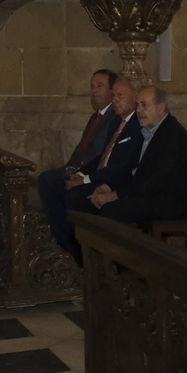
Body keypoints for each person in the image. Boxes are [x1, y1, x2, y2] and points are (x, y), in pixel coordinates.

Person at [72, 84, 187, 226]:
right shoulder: (148, 131)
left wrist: (114, 195)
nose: (138, 110)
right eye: (137, 105)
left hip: (169, 201)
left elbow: (154, 181)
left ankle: (114, 248)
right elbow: (130, 168)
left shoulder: (173, 136)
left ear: (161, 108)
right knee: (87, 200)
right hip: (149, 194)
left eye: (144, 105)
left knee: (112, 210)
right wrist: (108, 186)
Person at [43, 77, 138, 259]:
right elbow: (101, 157)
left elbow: (122, 166)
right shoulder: (116, 122)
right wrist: (79, 174)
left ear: (135, 96)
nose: (115, 99)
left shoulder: (136, 126)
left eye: (120, 95)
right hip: (100, 175)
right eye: (114, 95)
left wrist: (86, 180)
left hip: (113, 181)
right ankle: (64, 244)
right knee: (54, 185)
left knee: (73, 196)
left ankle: (78, 254)